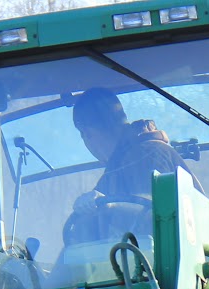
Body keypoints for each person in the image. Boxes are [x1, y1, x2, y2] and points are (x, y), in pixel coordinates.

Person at [66, 88, 198, 241]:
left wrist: (111, 206)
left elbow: (161, 217)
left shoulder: (146, 154)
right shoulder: (114, 171)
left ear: (87, 133)